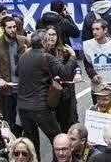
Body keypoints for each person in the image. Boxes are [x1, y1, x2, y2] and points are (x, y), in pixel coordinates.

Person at [16, 29, 79, 158]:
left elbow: (17, 72)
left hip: (23, 107)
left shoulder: (24, 56)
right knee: (57, 139)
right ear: (44, 43)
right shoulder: (46, 56)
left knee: (31, 143)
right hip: (40, 107)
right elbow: (65, 73)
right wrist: (72, 57)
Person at [0, 14, 26, 136]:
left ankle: (21, 141)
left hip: (23, 89)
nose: (13, 29)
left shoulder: (23, 41)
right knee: (9, 121)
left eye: (14, 27)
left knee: (24, 121)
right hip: (6, 91)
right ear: (3, 29)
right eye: (9, 27)